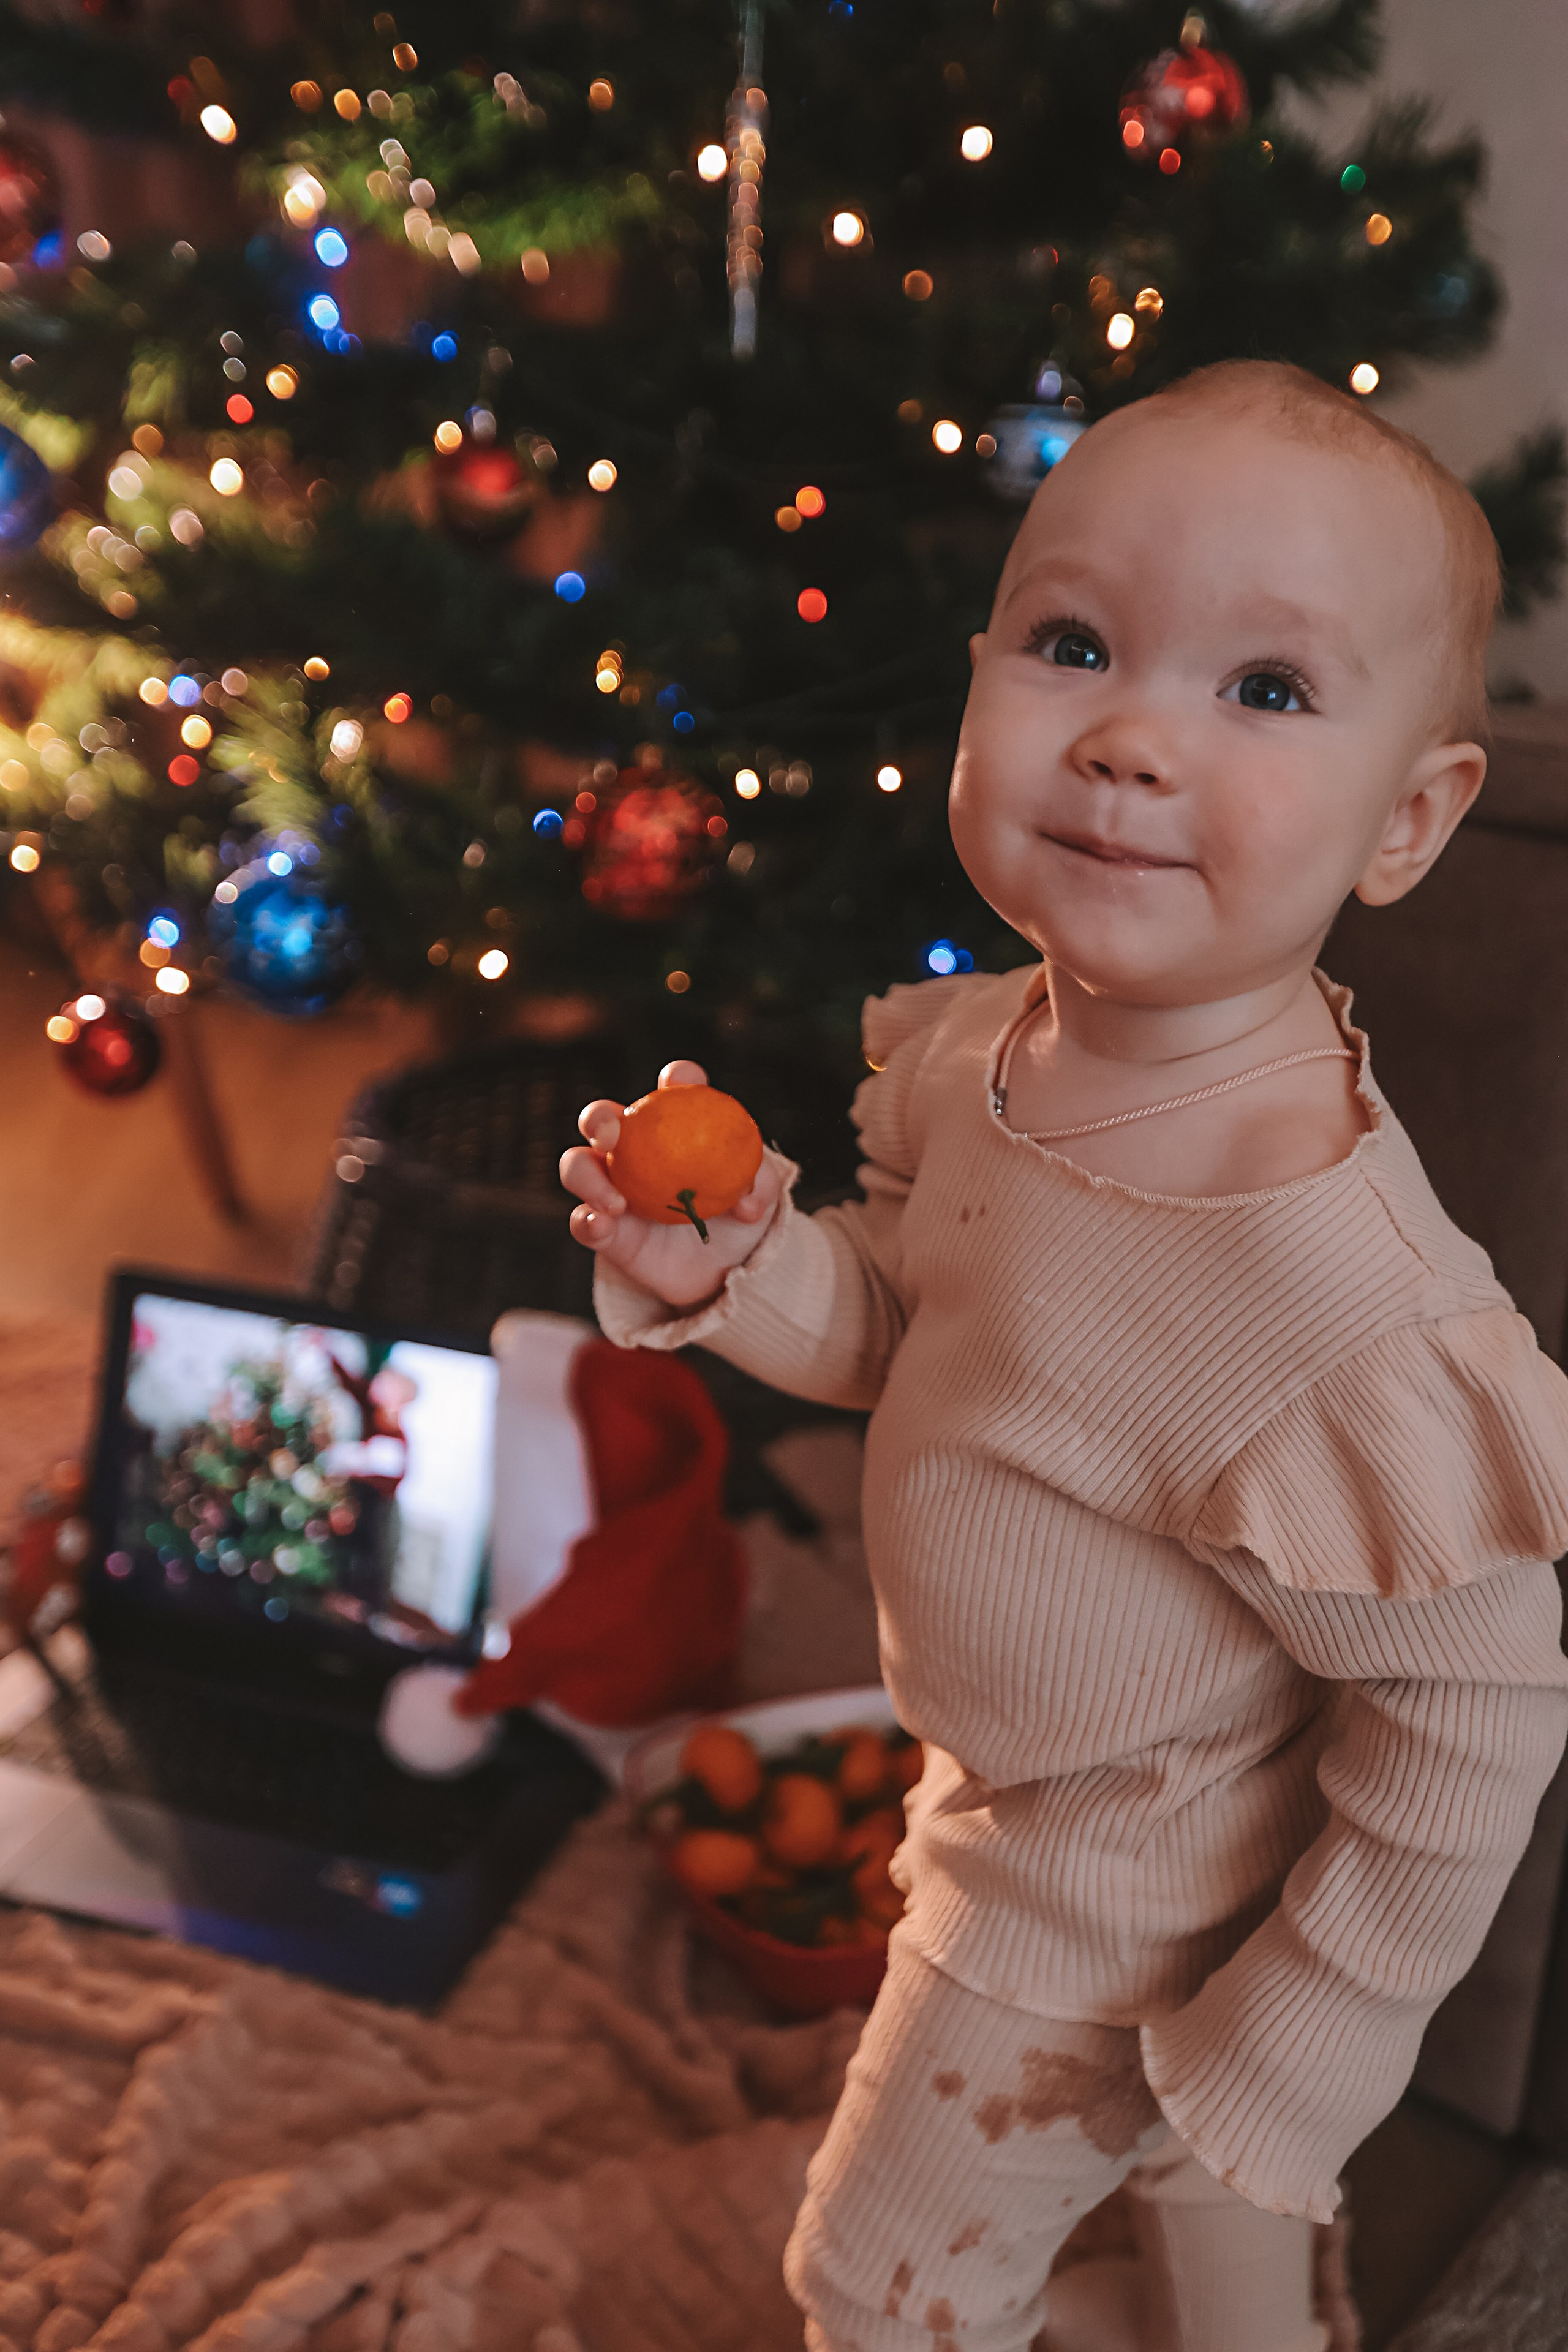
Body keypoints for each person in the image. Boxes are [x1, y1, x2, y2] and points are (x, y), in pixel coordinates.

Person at [560, 360, 1568, 2352]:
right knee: (1207, 2213)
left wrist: (1302, 2036)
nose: (1123, 737)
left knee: (877, 2280)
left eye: (1263, 691)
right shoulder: (1002, 1050)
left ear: (1411, 820)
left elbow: (1477, 1717)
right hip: (1014, 1779)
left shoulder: (1330, 1285)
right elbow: (919, 1323)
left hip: (1100, 1888)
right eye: (1074, 642)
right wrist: (742, 1268)